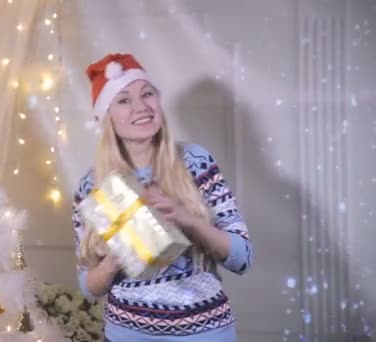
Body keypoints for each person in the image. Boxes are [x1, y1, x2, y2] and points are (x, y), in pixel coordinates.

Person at [72, 53, 254, 341]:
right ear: (107, 117)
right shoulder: (92, 186)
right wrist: (115, 260)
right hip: (126, 335)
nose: (141, 107)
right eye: (123, 100)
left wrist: (186, 219)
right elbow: (87, 286)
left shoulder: (196, 162)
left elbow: (243, 258)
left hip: (206, 334)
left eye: (147, 94)